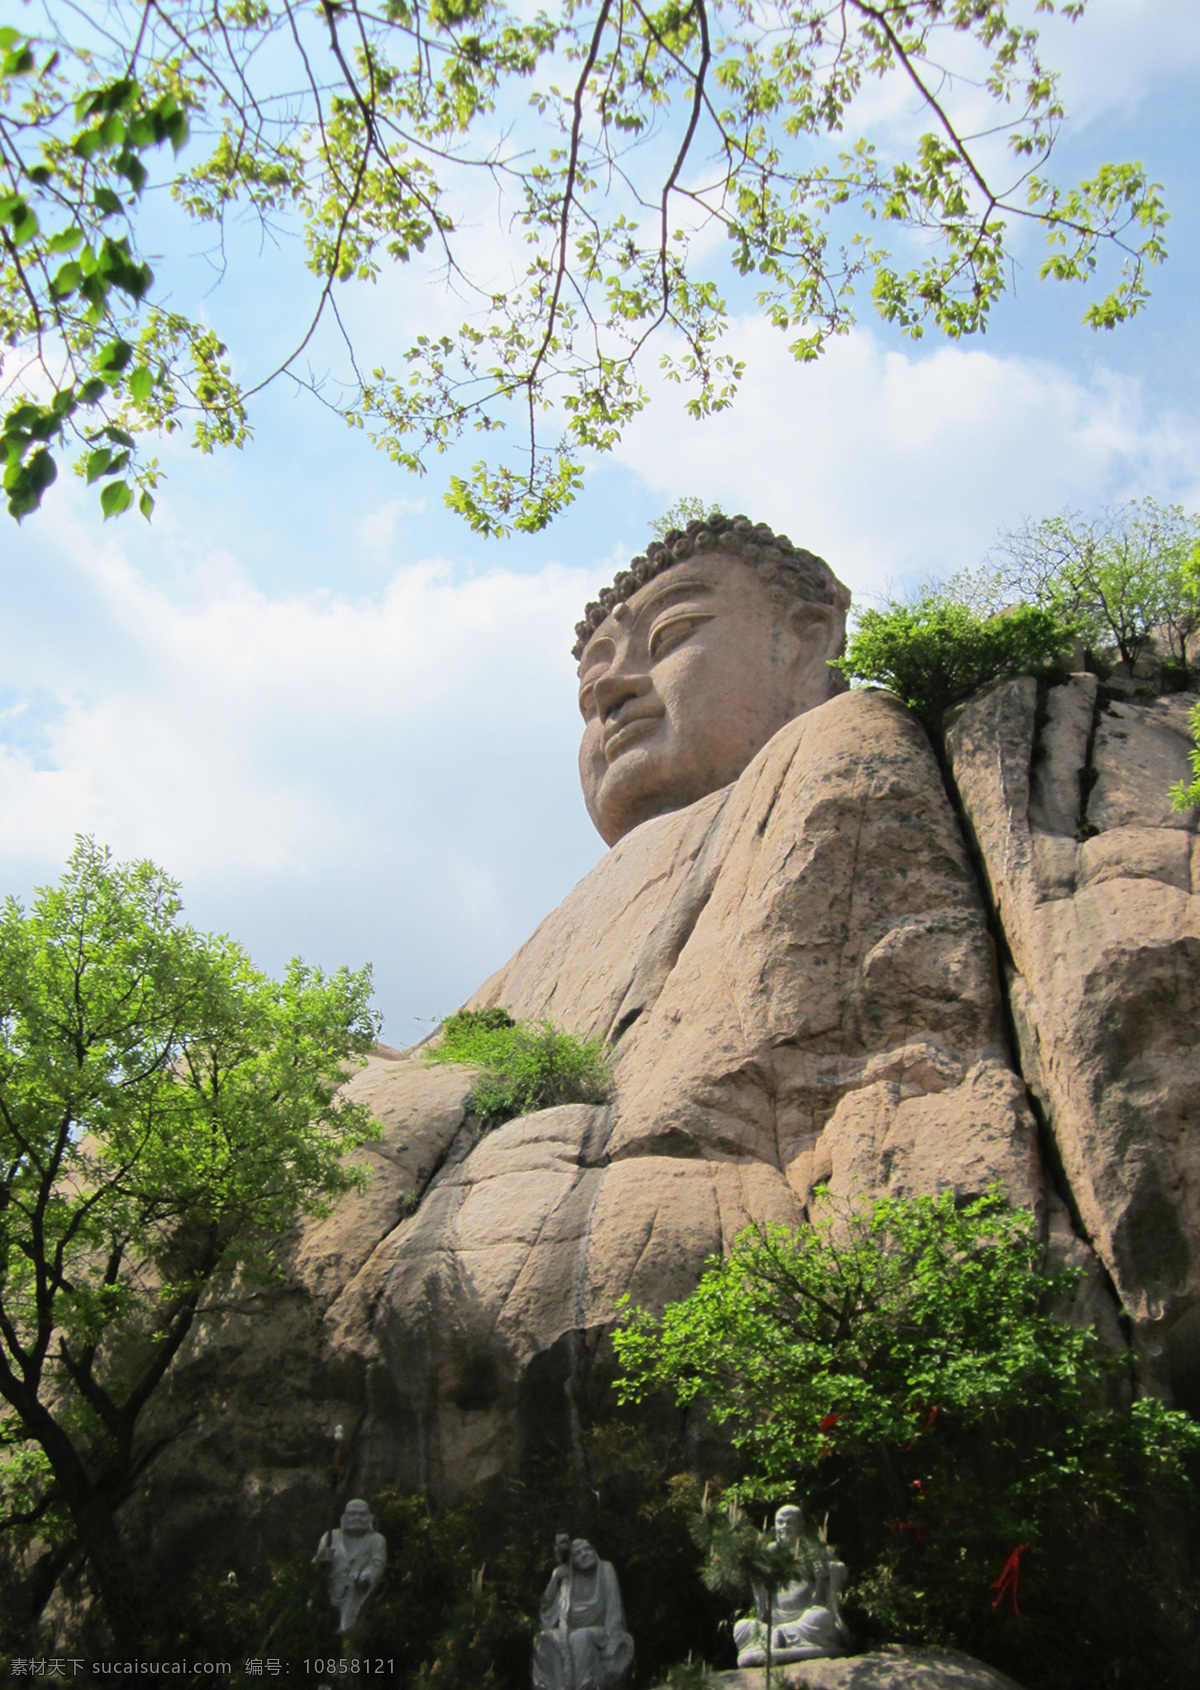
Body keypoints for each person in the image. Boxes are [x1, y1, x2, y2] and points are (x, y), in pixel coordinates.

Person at [733, 1505, 851, 1667]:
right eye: (780, 1523)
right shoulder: (769, 1553)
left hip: (806, 1622)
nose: (785, 1527)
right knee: (742, 1627)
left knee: (821, 1618)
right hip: (773, 1621)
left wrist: (827, 1570)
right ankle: (776, 1635)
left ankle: (780, 1636)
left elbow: (841, 1570)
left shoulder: (814, 1550)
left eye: (790, 1522)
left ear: (801, 1526)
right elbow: (754, 1575)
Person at [532, 1536, 635, 1690]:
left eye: (588, 1549)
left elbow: (614, 1612)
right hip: (568, 1631)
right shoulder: (568, 1578)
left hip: (601, 1633)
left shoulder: (606, 1569)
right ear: (572, 1561)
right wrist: (555, 1578)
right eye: (578, 1553)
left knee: (580, 1638)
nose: (585, 1554)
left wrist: (613, 1636)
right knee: (543, 1639)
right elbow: (547, 1611)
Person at [314, 1498, 387, 1635]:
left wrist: (367, 1575)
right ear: (345, 1517)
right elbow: (313, 1566)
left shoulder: (376, 1539)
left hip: (357, 1590)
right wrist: (320, 1560)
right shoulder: (330, 1537)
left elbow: (377, 1563)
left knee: (351, 1632)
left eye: (362, 1514)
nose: (357, 1517)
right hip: (331, 1592)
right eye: (353, 1514)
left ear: (369, 1517)